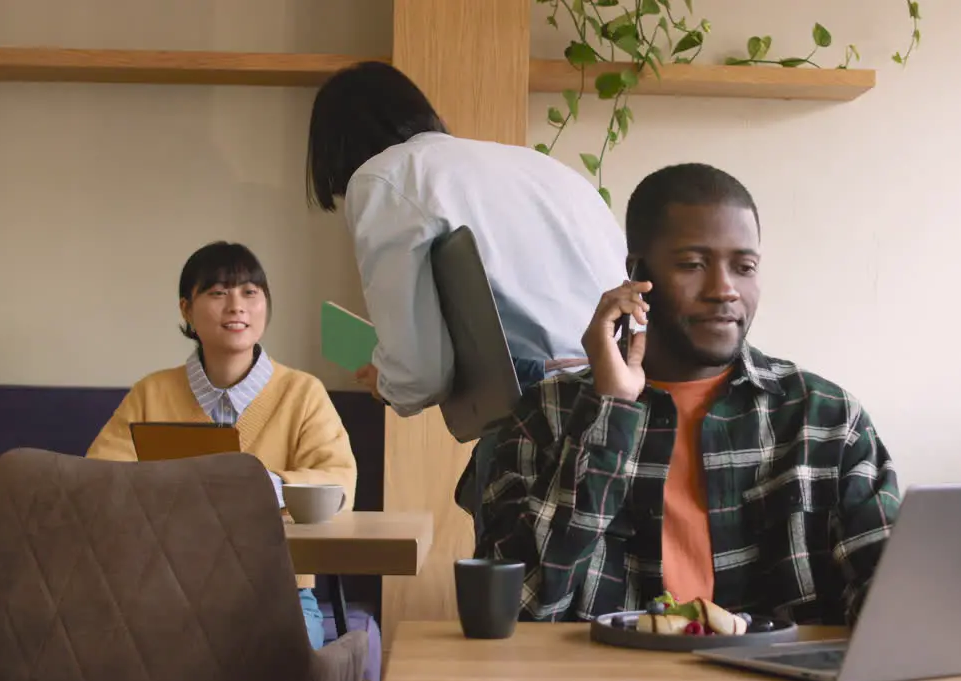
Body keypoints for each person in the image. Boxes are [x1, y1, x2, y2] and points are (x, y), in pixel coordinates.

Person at [465, 164, 902, 625]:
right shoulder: (548, 415)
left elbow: (890, 595)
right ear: (636, 274)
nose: (724, 290)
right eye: (692, 264)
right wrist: (608, 414)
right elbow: (518, 608)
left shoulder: (826, 418)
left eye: (744, 267)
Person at [306, 61, 626, 415]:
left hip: (545, 406)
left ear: (337, 145)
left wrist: (389, 380)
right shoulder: (542, 167)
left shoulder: (384, 176)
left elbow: (421, 376)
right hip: (631, 388)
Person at [86, 241, 358, 649]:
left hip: (278, 592)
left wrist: (261, 485)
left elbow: (340, 484)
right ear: (185, 310)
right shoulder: (151, 393)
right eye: (217, 292)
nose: (237, 306)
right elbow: (96, 481)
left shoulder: (303, 393)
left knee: (280, 665)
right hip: (165, 589)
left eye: (251, 292)